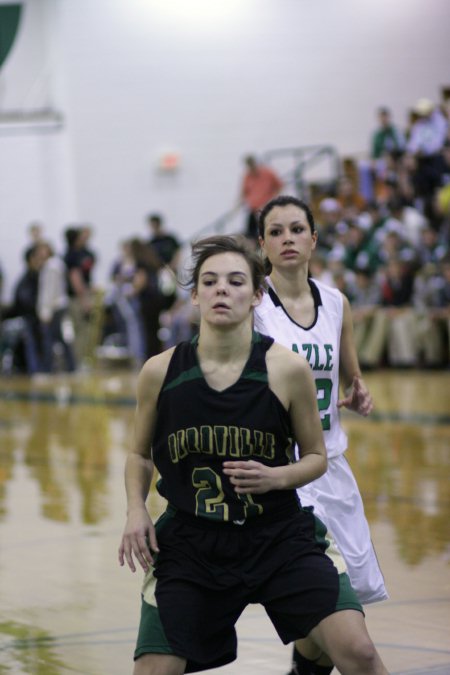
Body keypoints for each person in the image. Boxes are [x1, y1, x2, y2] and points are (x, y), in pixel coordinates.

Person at [118, 235, 389, 675]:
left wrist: (276, 478)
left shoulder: (287, 369)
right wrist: (135, 509)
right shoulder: (160, 371)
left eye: (235, 281)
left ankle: (307, 660)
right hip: (193, 543)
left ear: (258, 294)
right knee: (152, 671)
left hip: (278, 534)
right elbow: (139, 454)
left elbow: (316, 458)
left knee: (358, 652)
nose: (221, 289)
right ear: (195, 294)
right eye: (210, 281)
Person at [254, 196, 388, 675]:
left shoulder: (335, 302)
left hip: (333, 467)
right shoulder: (253, 307)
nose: (287, 238)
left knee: (326, 626)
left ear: (314, 238)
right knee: (344, 626)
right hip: (286, 477)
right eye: (276, 231)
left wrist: (357, 392)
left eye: (296, 229)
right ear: (263, 244)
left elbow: (348, 375)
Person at [240, 154, 283, 241]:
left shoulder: (267, 173)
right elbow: (244, 192)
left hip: (267, 207)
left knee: (268, 228)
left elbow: (279, 185)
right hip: (253, 209)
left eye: (251, 164)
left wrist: (273, 200)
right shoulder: (247, 176)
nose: (251, 166)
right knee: (251, 233)